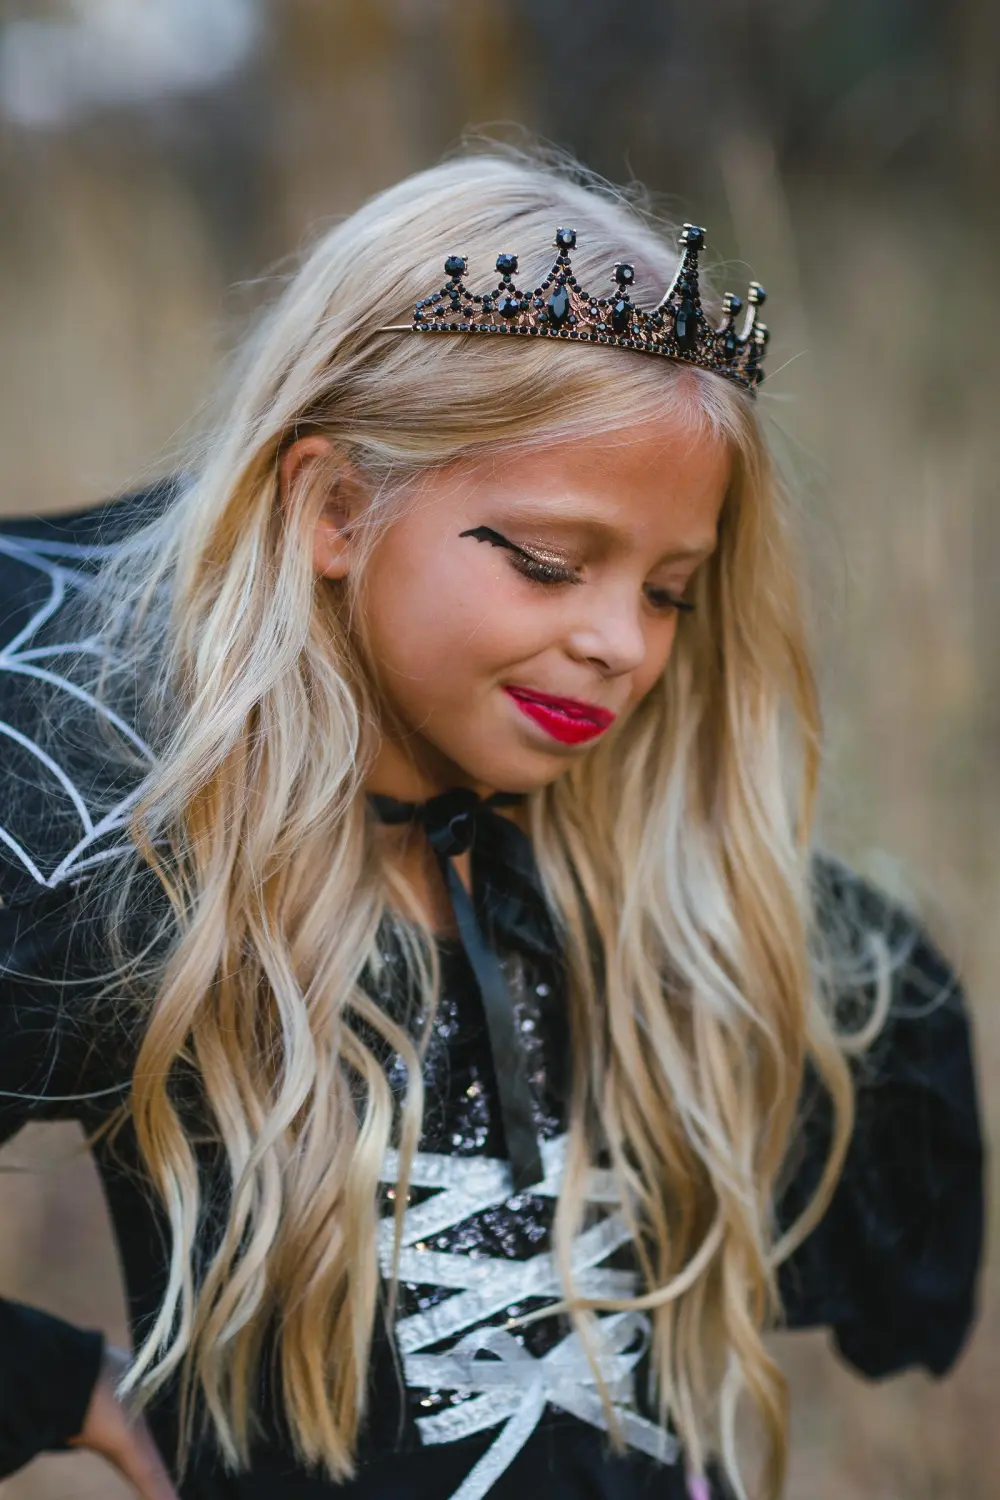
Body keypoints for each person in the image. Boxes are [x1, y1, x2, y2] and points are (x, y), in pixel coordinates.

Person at [0, 144, 985, 1500]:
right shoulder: (141, 877)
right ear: (336, 507)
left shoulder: (659, 887)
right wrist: (53, 1384)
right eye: (547, 563)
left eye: (668, 591)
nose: (617, 645)